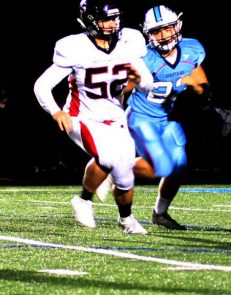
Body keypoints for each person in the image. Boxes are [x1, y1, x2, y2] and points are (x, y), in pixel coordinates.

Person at [33, 0, 153, 234]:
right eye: (105, 19)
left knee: (124, 173)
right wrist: (55, 111)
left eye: (113, 18)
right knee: (108, 156)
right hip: (80, 116)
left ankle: (126, 219)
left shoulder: (130, 41)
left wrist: (140, 80)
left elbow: (147, 83)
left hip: (114, 116)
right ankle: (84, 200)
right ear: (89, 22)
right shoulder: (74, 47)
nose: (111, 24)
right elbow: (42, 85)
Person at [97, 5, 210, 230]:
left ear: (176, 26)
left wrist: (196, 88)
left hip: (167, 117)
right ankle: (115, 167)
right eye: (157, 31)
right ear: (149, 35)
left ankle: (160, 213)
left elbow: (204, 86)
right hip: (140, 116)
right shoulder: (142, 58)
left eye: (167, 29)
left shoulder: (191, 49)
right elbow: (120, 92)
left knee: (179, 166)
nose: (164, 35)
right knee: (161, 165)